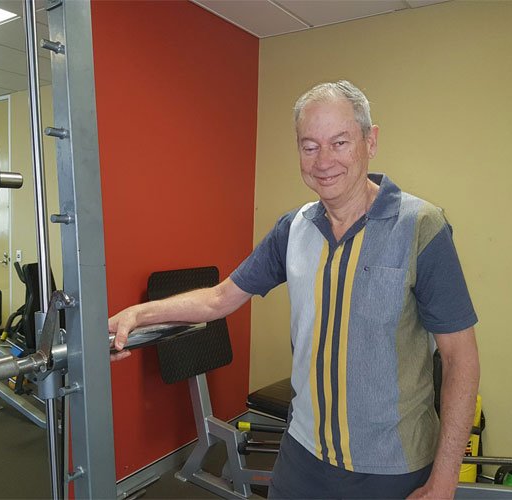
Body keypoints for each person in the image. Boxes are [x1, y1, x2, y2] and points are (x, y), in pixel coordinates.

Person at [109, 80, 479, 499]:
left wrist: (445, 480)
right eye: (310, 146)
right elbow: (219, 298)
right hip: (303, 455)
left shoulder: (421, 226)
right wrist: (140, 314)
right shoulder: (294, 228)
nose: (324, 161)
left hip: (392, 467)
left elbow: (460, 358)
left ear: (370, 140)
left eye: (339, 142)